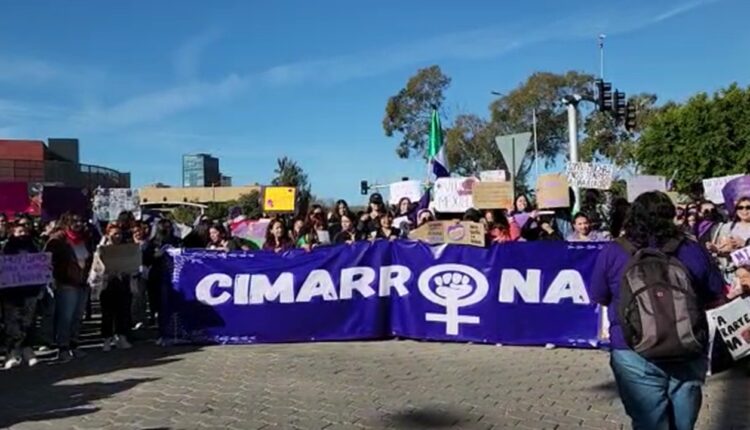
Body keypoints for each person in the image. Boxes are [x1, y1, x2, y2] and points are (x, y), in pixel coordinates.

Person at [591, 191, 725, 430]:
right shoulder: (692, 249)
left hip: (632, 349)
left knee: (649, 424)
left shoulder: (614, 251)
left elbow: (599, 296)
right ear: (672, 215)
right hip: (688, 345)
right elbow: (716, 295)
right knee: (683, 425)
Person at [44, 213, 93, 362]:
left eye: (80, 220)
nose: (78, 223)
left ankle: (74, 344)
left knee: (78, 316)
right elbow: (46, 259)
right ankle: (63, 347)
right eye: (74, 220)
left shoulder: (85, 238)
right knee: (66, 316)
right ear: (66, 222)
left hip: (83, 282)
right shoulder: (58, 240)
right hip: (66, 283)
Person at [1, 222, 42, 368]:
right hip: (11, 292)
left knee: (28, 321)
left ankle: (27, 350)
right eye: (19, 231)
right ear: (13, 232)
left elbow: (41, 266)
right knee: (12, 323)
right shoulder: (6, 247)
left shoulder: (34, 246)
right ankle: (12, 352)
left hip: (30, 291)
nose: (23, 234)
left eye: (25, 231)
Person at [89, 223, 133, 351]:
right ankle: (106, 339)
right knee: (107, 313)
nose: (117, 236)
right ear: (108, 236)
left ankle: (121, 336)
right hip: (106, 284)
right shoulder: (101, 249)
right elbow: (96, 267)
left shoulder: (126, 249)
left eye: (119, 234)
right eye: (114, 234)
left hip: (122, 282)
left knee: (123, 311)